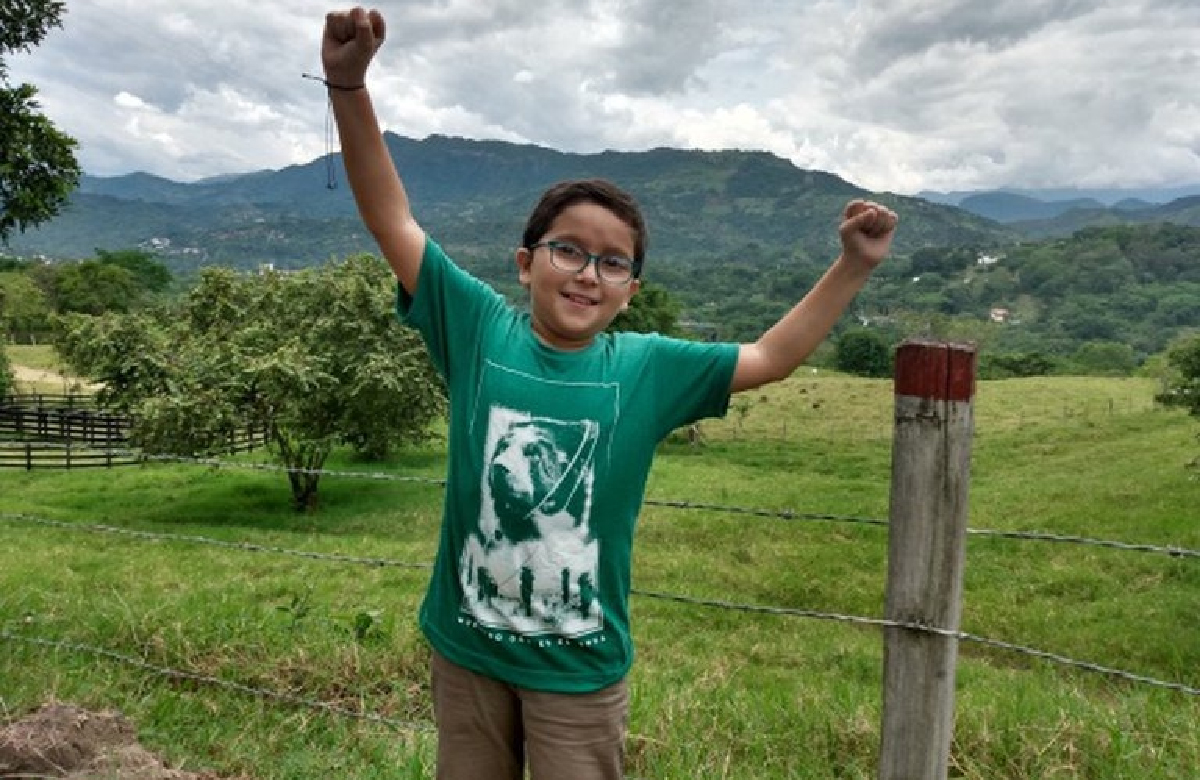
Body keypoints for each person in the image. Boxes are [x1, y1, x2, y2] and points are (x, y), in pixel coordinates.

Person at [320, 7, 898, 780]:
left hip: (580, 671)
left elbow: (770, 354)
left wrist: (854, 266)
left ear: (630, 289)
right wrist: (348, 84)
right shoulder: (478, 327)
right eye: (569, 250)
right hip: (468, 654)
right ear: (526, 264)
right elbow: (389, 215)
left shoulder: (646, 367)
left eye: (613, 262)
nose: (589, 273)